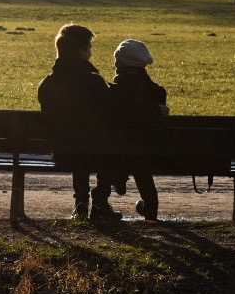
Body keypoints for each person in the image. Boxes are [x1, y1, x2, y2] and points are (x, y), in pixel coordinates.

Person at [37, 23, 121, 222]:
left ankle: (81, 204)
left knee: (77, 143)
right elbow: (110, 118)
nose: (91, 53)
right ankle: (100, 203)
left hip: (62, 152)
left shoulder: (48, 84)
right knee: (101, 143)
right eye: (89, 48)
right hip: (97, 154)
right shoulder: (94, 82)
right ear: (81, 51)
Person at [106, 39, 169, 221]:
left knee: (122, 148)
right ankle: (150, 208)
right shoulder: (158, 92)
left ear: (120, 64)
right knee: (140, 156)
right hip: (149, 152)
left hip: (116, 153)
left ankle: (118, 177)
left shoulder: (112, 92)